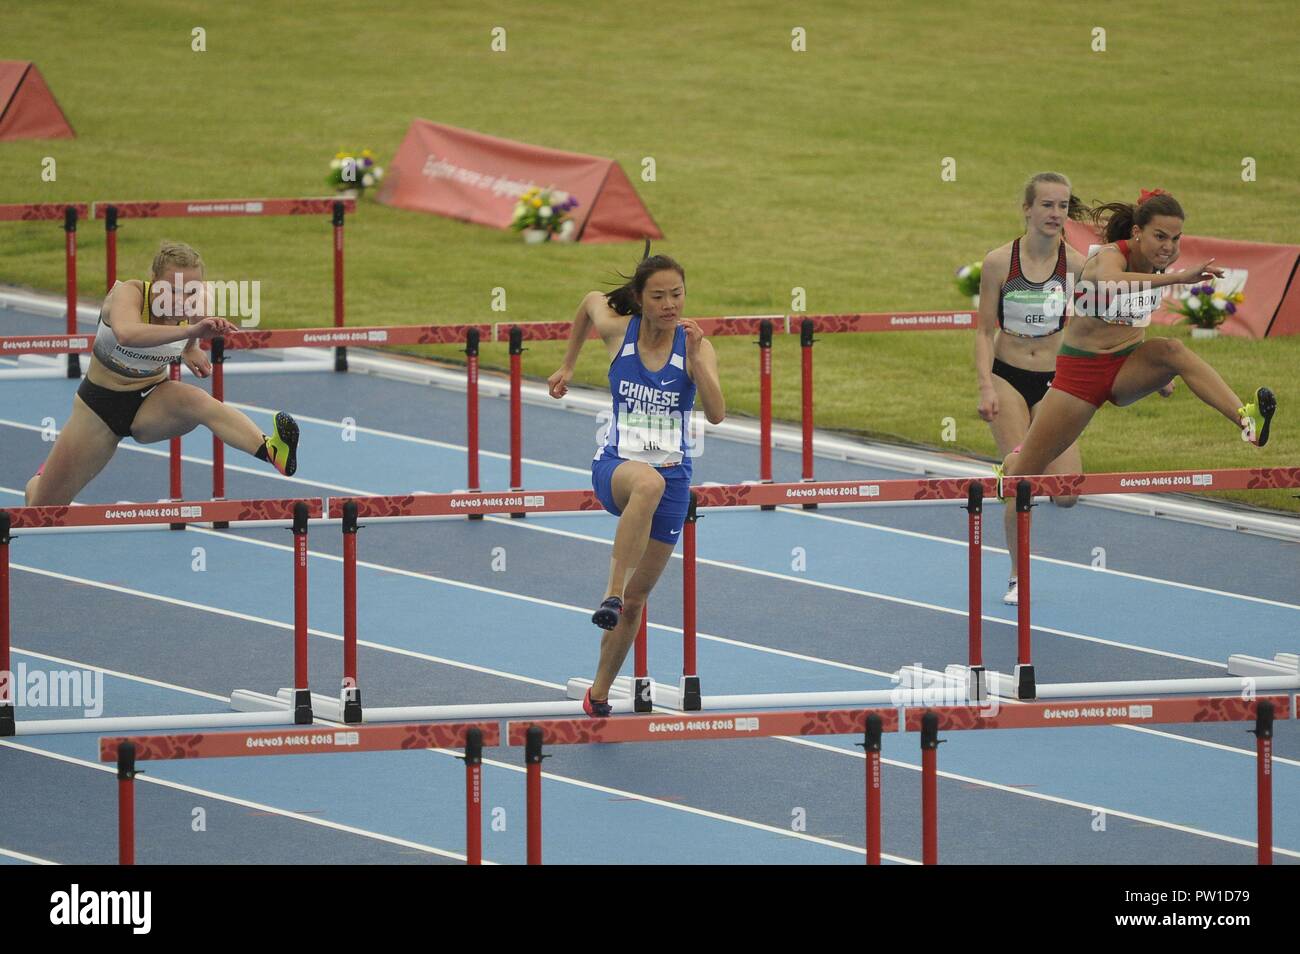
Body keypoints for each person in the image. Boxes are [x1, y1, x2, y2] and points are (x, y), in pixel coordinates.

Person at [1002, 189, 1276, 515]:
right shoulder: (1109, 256)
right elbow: (1111, 282)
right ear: (1137, 232)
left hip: (1124, 367)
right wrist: (1178, 278)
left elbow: (1134, 318)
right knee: (1021, 476)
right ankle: (1013, 459)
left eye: (1175, 239)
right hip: (1080, 377)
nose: (1168, 247)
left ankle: (1248, 423)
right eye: (1160, 236)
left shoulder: (1159, 264)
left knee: (1172, 350)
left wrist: (1156, 376)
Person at [548, 250, 725, 717]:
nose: (671, 305)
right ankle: (609, 591)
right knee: (646, 485)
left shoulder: (697, 346)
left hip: (675, 475)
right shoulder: (617, 333)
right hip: (617, 467)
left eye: (678, 295)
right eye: (660, 296)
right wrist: (568, 364)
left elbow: (717, 413)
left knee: (637, 600)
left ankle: (599, 694)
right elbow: (589, 301)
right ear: (641, 301)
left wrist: (699, 361)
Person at [25, 241, 300, 506]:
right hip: (98, 408)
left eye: (190, 290)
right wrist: (190, 333)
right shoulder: (129, 294)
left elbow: (193, 335)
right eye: (172, 290)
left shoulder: (199, 306)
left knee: (198, 401)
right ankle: (43, 477)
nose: (182, 299)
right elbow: (127, 334)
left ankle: (271, 450)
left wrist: (191, 348)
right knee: (42, 509)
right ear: (153, 280)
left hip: (152, 400)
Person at [978, 172, 1090, 605]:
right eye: (1047, 205)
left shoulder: (1077, 266)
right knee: (1023, 478)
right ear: (1027, 209)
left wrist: (1153, 375)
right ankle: (1016, 575)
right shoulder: (998, 262)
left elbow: (1108, 320)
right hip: (1008, 373)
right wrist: (985, 385)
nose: (1055, 214)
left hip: (1056, 381)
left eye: (1062, 206)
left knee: (1067, 495)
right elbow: (984, 332)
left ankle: (1017, 472)